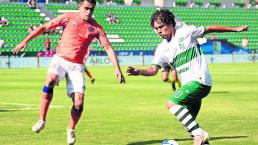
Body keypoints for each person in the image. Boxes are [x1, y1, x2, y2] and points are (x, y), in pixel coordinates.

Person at [127, 9, 248, 145]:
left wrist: (235, 29)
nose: (159, 31)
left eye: (161, 27)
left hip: (200, 80)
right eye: (156, 29)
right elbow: (153, 70)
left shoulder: (186, 32)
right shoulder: (161, 49)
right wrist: (138, 71)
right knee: (190, 127)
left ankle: (199, 134)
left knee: (172, 104)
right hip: (189, 87)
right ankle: (200, 138)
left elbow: (210, 28)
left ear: (171, 24)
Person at [12, 0, 125, 144]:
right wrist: (25, 40)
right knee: (50, 80)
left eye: (92, 9)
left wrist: (117, 68)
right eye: (86, 8)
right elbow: (45, 26)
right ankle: (42, 119)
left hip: (77, 66)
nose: (89, 12)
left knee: (78, 103)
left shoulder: (96, 28)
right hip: (60, 59)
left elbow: (108, 47)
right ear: (80, 6)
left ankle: (71, 129)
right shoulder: (68, 17)